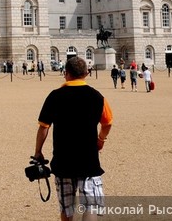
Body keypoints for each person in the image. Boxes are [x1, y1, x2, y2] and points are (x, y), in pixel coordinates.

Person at [34, 56, 113, 221]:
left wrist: (38, 152)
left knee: (67, 209)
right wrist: (101, 140)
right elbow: (107, 124)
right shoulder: (97, 97)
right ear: (86, 73)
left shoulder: (55, 96)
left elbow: (44, 127)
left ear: (66, 73)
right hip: (88, 159)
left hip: (63, 160)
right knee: (90, 206)